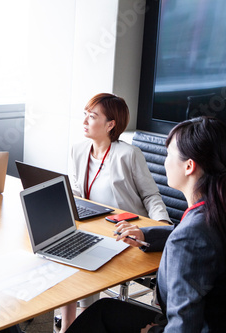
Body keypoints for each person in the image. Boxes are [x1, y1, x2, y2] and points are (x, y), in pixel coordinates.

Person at [67, 116, 226, 332]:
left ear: (189, 166)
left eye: (169, 154)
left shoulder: (191, 235)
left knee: (96, 318)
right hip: (224, 321)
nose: (165, 161)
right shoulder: (225, 210)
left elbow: (185, 324)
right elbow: (194, 235)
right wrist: (147, 235)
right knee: (103, 310)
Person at [59, 93, 170, 332]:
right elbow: (78, 190)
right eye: (85, 115)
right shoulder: (78, 150)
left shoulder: (128, 155)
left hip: (125, 231)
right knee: (65, 252)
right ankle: (69, 324)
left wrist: (161, 227)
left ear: (111, 125)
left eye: (92, 116)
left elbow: (151, 195)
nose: (85, 121)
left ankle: (83, 319)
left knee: (84, 259)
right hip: (92, 223)